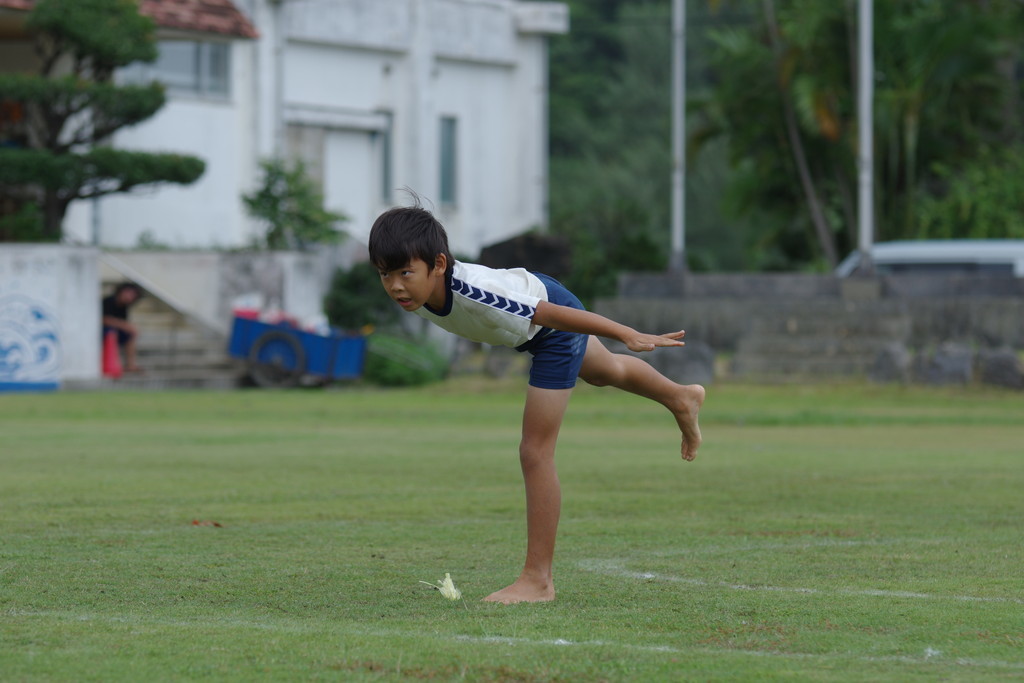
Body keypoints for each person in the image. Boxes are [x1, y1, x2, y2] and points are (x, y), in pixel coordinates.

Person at [368, 204, 705, 605]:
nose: (394, 286)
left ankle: (538, 580)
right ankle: (682, 396)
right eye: (385, 274)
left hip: (550, 329)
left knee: (535, 452)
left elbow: (553, 315)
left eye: (404, 273)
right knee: (604, 372)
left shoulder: (474, 292)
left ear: (438, 264)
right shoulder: (421, 293)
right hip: (532, 317)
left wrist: (626, 332)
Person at [101, 282, 143, 372]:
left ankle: (130, 364)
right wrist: (124, 325)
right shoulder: (108, 302)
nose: (129, 297)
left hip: (114, 331)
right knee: (112, 333)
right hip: (103, 331)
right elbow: (104, 319)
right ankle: (113, 365)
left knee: (130, 335)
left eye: (133, 295)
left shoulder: (124, 307)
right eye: (128, 293)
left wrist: (128, 327)